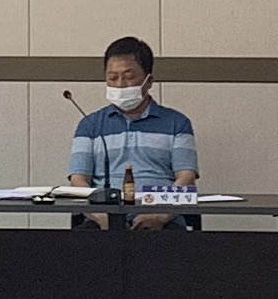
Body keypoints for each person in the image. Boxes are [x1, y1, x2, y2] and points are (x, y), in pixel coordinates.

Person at [65, 35, 201, 195]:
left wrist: (161, 208)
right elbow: (78, 180)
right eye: (112, 78)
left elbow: (186, 178)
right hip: (104, 208)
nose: (120, 84)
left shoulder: (177, 123)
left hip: (161, 207)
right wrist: (99, 208)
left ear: (149, 81)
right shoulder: (89, 124)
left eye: (128, 77)